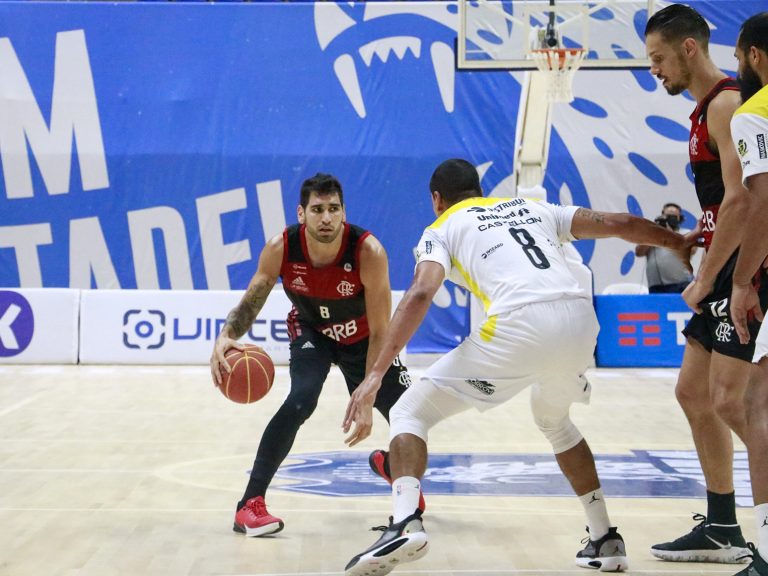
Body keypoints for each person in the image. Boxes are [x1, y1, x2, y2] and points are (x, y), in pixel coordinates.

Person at [340, 158, 698, 576]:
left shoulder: (441, 228)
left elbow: (421, 292)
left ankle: (405, 521)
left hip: (521, 325)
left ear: (437, 199)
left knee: (408, 411)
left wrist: (375, 375)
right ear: (479, 190)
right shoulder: (532, 208)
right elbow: (620, 223)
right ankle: (605, 537)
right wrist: (677, 241)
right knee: (555, 421)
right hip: (581, 323)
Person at [210, 173, 411, 536]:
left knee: (410, 415)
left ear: (344, 212)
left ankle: (396, 472)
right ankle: (249, 505)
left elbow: (382, 331)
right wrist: (226, 335)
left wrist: (368, 394)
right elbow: (252, 301)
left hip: (363, 339)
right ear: (301, 213)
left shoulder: (369, 252)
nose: (326, 218)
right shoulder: (281, 248)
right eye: (317, 209)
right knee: (300, 400)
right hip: (312, 332)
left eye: (334, 209)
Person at [644, 4, 768, 563]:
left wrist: (709, 277)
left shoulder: (727, 103)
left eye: (658, 58)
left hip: (746, 273)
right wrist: (706, 231)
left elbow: (746, 201)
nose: (655, 70)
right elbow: (726, 202)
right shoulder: (707, 109)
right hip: (726, 265)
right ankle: (722, 526)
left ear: (688, 48)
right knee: (694, 394)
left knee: (734, 403)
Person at [728, 12, 768, 576]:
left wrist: (741, 281)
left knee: (758, 405)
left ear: (755, 55)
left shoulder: (754, 111)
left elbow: (761, 201)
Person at [635, 202, 695, 293]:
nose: (670, 219)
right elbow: (639, 252)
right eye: (668, 216)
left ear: (680, 218)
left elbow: (692, 250)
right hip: (656, 285)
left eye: (673, 217)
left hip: (681, 283)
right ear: (663, 216)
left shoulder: (686, 233)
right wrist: (654, 233)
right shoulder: (654, 234)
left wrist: (670, 234)